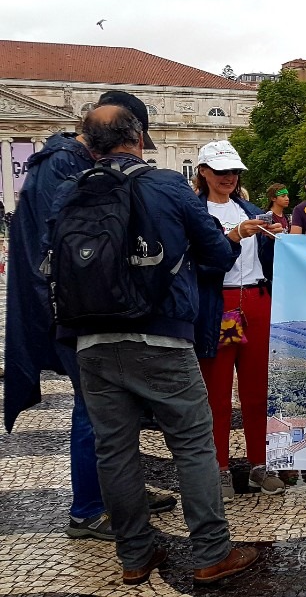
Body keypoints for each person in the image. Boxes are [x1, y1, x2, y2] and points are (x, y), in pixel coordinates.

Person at [51, 103, 260, 585]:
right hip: (161, 333)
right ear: (139, 137)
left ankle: (135, 556)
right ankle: (211, 552)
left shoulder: (68, 191)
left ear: (88, 145)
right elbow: (216, 252)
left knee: (115, 450)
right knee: (191, 444)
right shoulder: (165, 184)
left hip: (90, 338)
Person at [3, 91, 178, 543]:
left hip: (84, 306)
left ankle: (124, 492)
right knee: (93, 411)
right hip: (80, 311)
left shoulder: (59, 162)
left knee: (113, 407)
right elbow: (74, 250)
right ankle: (88, 509)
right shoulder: (65, 167)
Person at [192, 140, 286, 502]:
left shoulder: (254, 210)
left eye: (233, 171)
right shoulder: (194, 214)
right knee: (215, 390)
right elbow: (198, 263)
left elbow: (271, 261)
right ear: (203, 172)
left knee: (257, 388)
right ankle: (219, 467)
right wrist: (233, 236)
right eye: (220, 171)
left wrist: (277, 240)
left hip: (258, 299)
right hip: (220, 302)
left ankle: (260, 463)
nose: (228, 177)